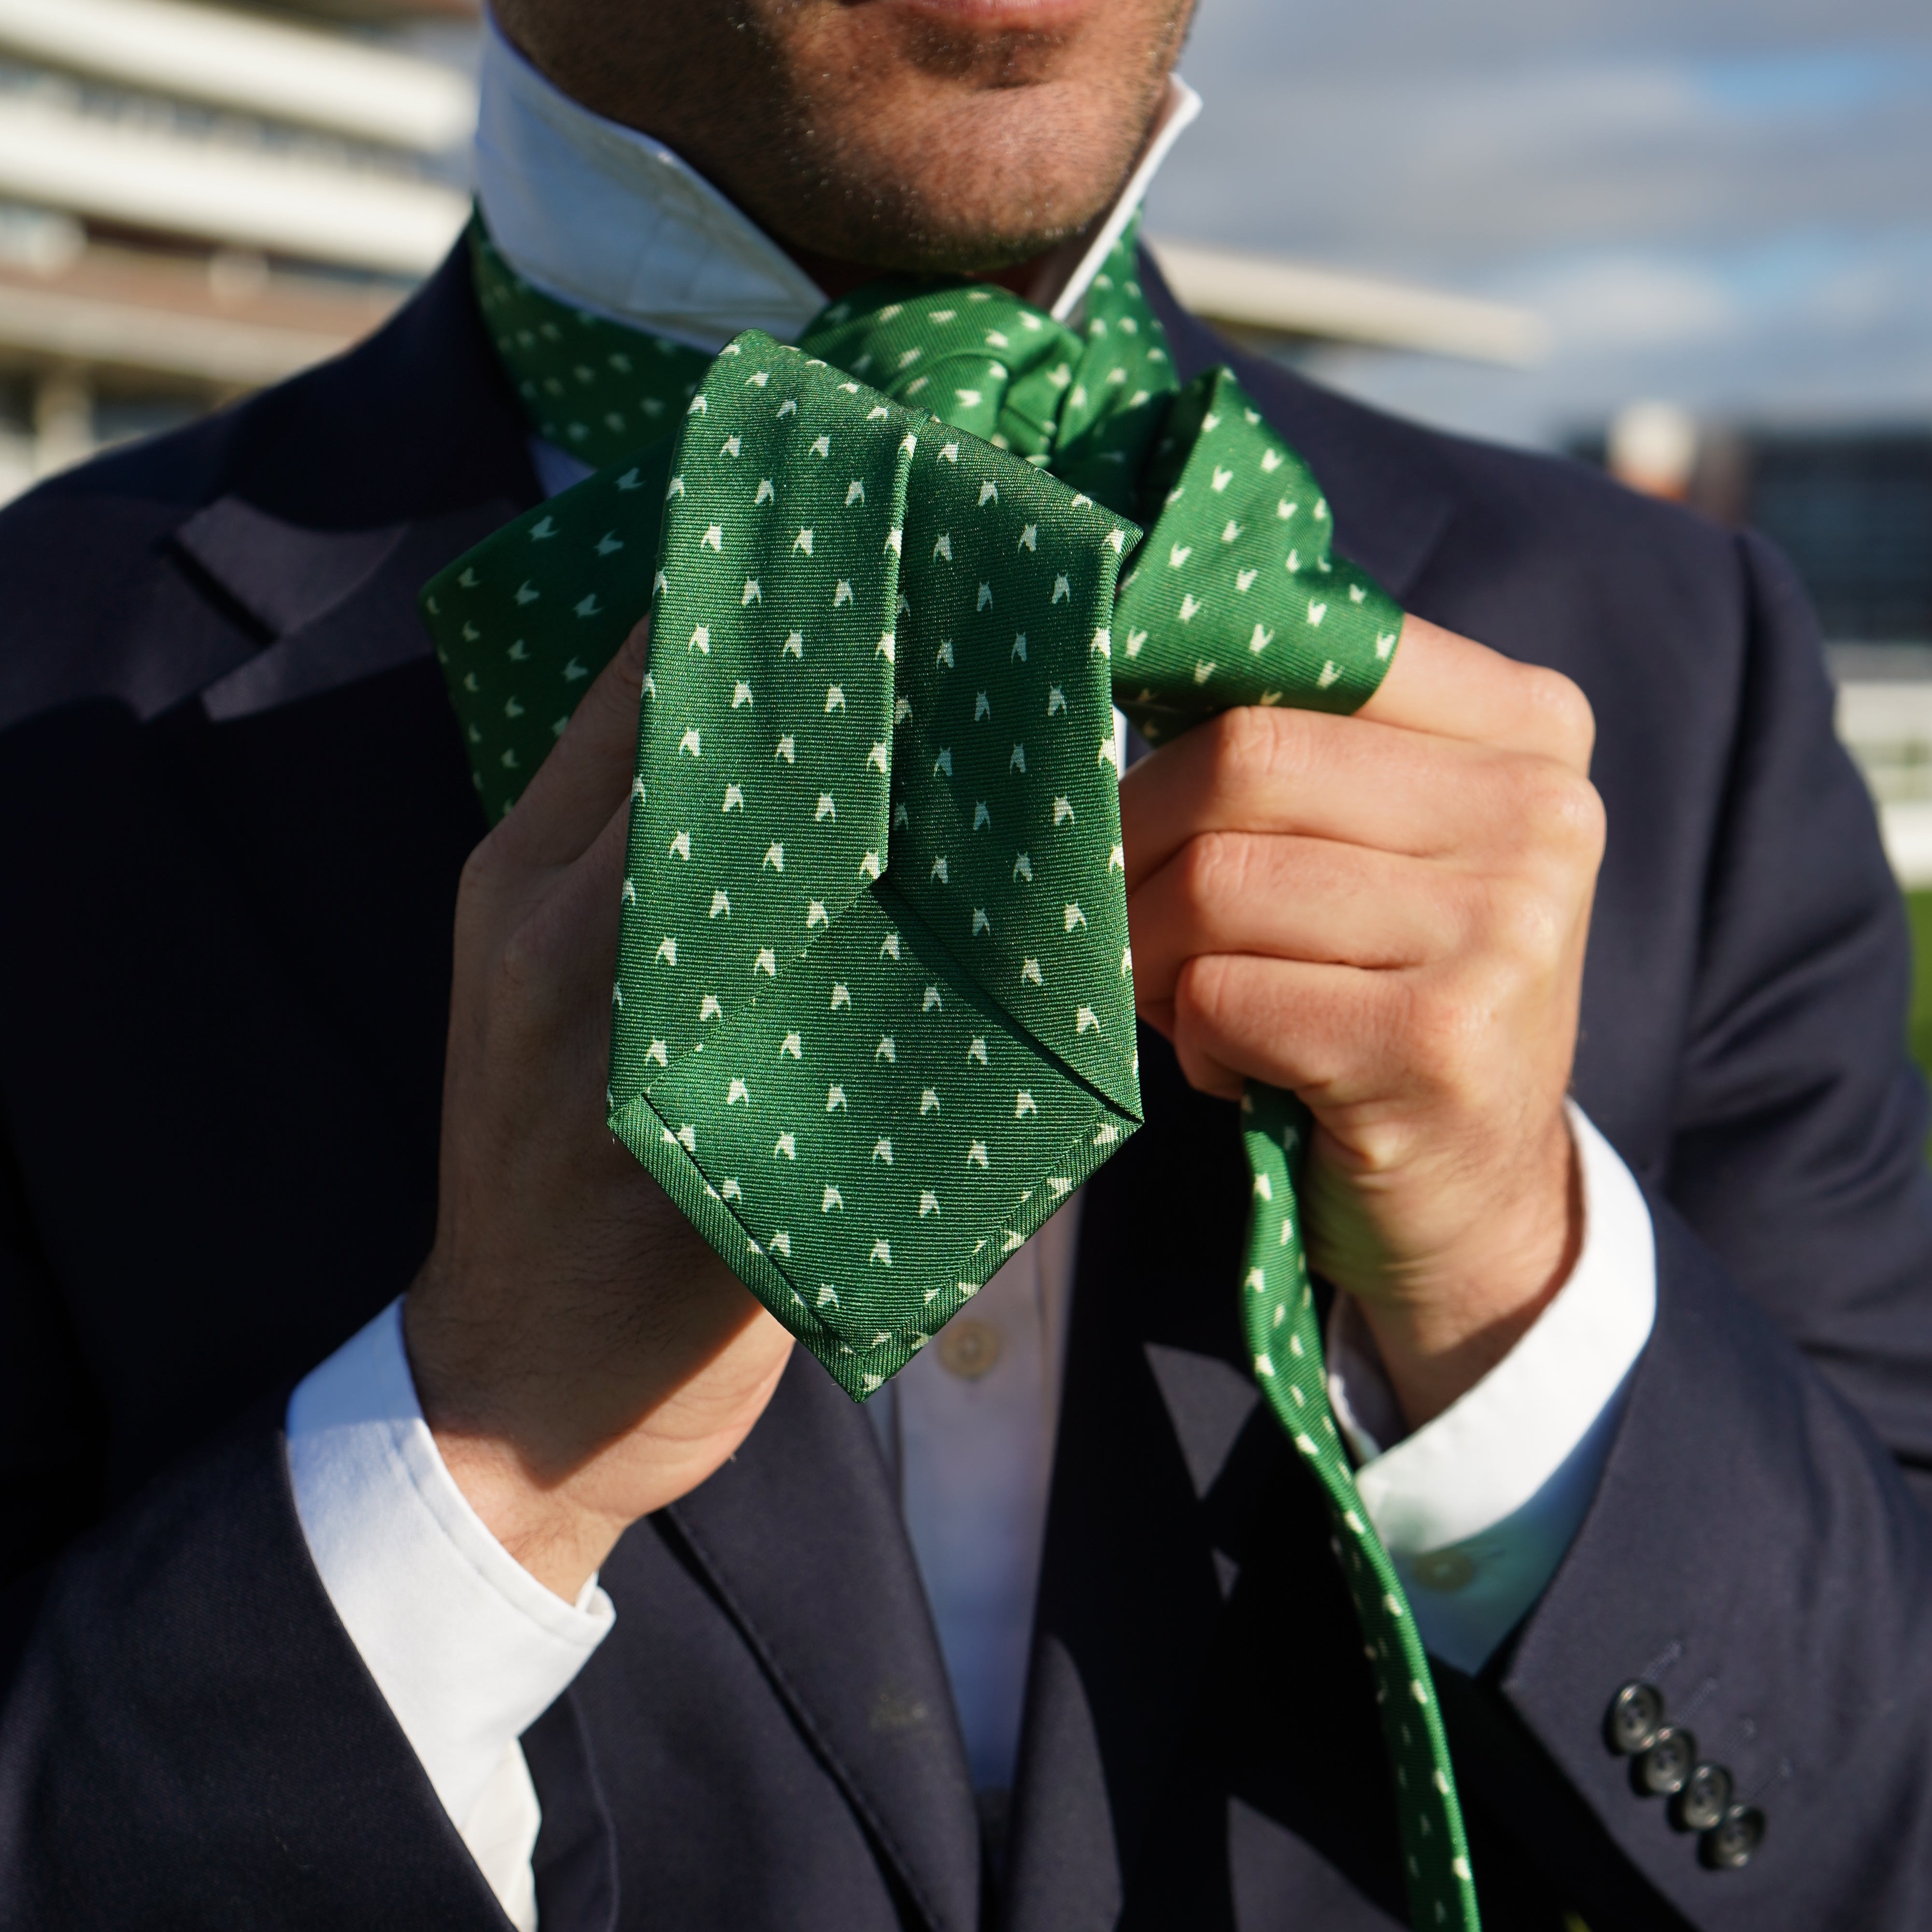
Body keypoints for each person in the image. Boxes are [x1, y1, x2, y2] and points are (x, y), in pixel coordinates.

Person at [2, 1, 1930, 1927]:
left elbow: (1883, 1823)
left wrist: (1519, 1283)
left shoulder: (1672, 657)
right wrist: (470, 1461)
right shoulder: (39, 704)